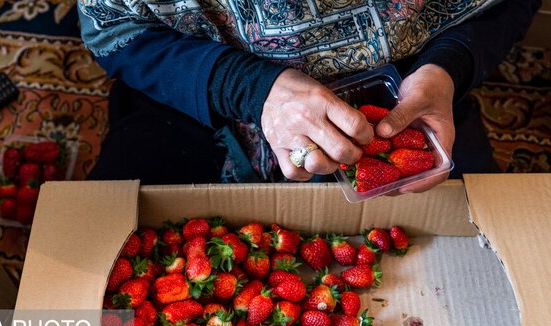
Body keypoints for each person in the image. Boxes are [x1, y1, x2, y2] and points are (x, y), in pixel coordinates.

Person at [78, 0, 541, 190]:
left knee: (480, 257)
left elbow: (506, 5)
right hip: (194, 95)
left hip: (403, 102)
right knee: (104, 307)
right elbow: (117, 32)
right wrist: (251, 89)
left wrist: (447, 69)